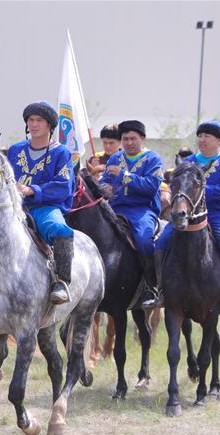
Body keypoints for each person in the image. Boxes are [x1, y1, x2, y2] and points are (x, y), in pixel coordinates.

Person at [158, 120, 220, 308]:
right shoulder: (188, 162)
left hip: (218, 214)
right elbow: (176, 186)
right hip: (187, 215)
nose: (202, 140)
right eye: (200, 136)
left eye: (207, 136)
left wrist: (200, 190)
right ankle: (159, 288)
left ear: (219, 141)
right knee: (161, 242)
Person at [7, 101, 77, 304]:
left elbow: (64, 185)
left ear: (50, 126)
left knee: (62, 231)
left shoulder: (62, 153)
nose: (34, 124)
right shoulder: (15, 149)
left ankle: (61, 281)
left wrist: (32, 190)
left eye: (39, 120)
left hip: (44, 208)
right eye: (30, 120)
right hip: (13, 208)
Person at [100, 120, 163, 309]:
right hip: (114, 208)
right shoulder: (114, 159)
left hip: (141, 210)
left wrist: (123, 176)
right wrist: (105, 187)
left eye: (133, 138)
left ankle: (151, 286)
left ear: (142, 138)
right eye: (125, 139)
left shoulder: (153, 159)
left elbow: (151, 186)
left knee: (144, 239)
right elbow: (104, 181)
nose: (129, 142)